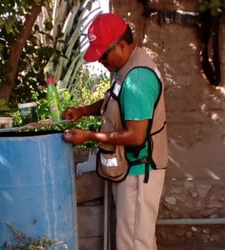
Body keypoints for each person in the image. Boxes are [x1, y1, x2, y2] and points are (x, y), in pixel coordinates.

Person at [62, 13, 168, 250]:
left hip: (140, 172)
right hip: (131, 170)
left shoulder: (138, 77)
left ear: (121, 45)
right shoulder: (125, 69)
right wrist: (83, 110)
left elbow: (135, 136)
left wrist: (89, 136)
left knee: (133, 245)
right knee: (136, 241)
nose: (101, 61)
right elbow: (115, 101)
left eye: (103, 55)